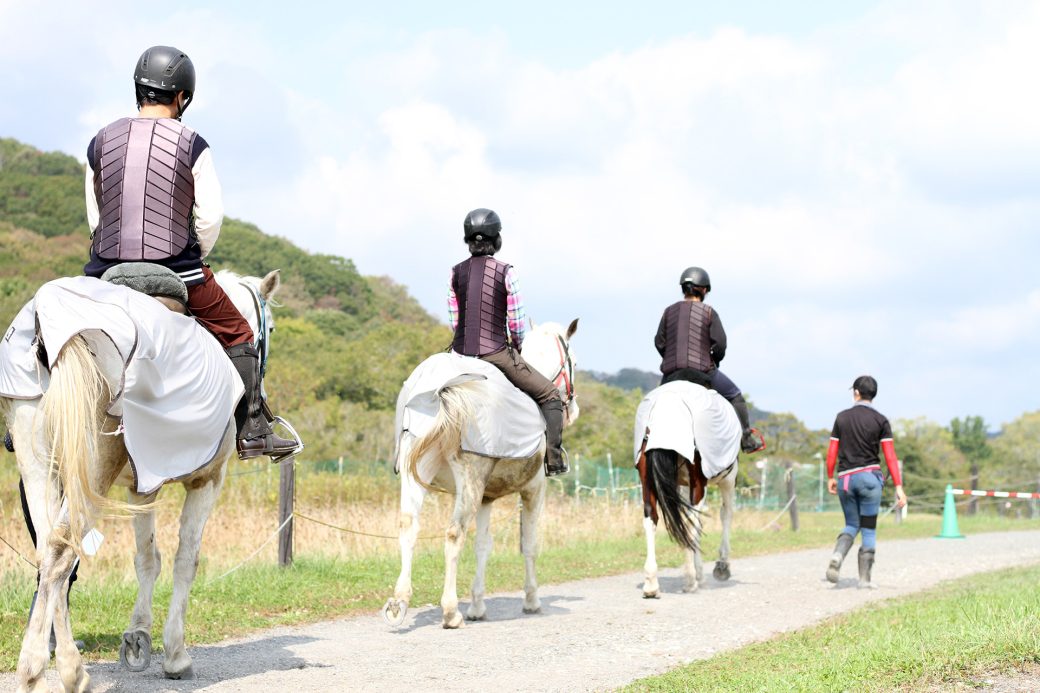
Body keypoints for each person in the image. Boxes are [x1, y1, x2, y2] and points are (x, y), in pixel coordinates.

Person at [82, 45, 295, 460]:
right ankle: (253, 429)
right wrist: (195, 254)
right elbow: (211, 217)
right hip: (177, 270)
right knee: (240, 332)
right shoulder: (193, 143)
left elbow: (96, 217)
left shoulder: (99, 141)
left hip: (105, 272)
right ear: (182, 97)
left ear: (139, 90)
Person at [447, 208, 568, 477]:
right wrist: (517, 345)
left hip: (459, 354)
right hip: (495, 352)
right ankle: (554, 459)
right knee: (550, 395)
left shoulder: (454, 273)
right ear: (496, 239)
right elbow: (516, 320)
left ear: (468, 239)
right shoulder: (506, 272)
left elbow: (455, 320)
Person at [654, 266, 760, 453]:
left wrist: (671, 359)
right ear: (703, 290)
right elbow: (720, 345)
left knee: (655, 406)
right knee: (736, 396)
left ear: (683, 289)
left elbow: (659, 342)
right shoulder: (709, 312)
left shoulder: (667, 312)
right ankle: (746, 439)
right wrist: (713, 360)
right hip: (702, 373)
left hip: (671, 376)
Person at [825, 375, 907, 588]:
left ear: (856, 393)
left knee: (852, 524)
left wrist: (830, 477)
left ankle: (837, 556)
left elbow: (832, 452)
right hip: (870, 480)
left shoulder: (841, 418)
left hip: (845, 480)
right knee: (868, 528)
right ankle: (864, 580)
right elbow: (890, 455)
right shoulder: (881, 420)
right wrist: (898, 486)